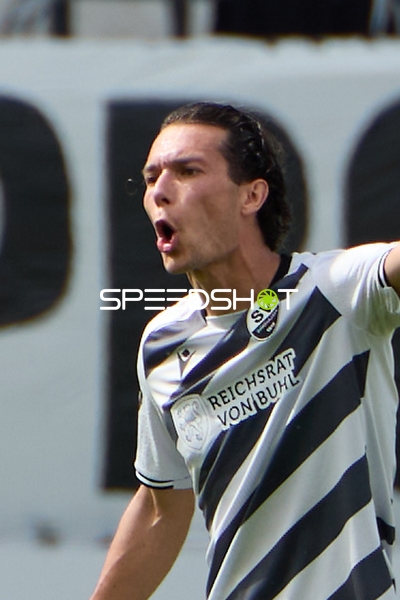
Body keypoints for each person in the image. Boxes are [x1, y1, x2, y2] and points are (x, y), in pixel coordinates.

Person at [90, 102, 400, 600]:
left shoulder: (331, 292)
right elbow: (160, 508)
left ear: (252, 194)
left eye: (188, 171)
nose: (160, 191)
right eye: (151, 178)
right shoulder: (163, 343)